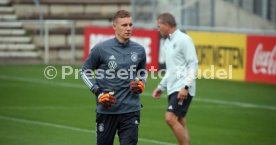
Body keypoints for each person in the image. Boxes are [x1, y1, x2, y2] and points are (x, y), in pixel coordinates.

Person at [80, 10, 146, 145]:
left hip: (131, 110)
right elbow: (84, 71)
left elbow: (142, 71)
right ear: (114, 26)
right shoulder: (100, 49)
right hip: (107, 109)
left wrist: (141, 83)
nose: (128, 28)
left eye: (130, 24)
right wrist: (98, 92)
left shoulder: (139, 50)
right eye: (124, 25)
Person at [152, 12, 198, 145]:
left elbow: (193, 64)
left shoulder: (184, 39)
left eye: (159, 26)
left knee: (170, 118)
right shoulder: (167, 43)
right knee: (180, 120)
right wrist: (161, 86)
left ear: (166, 25)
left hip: (182, 87)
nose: (158, 29)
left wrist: (186, 87)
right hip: (173, 88)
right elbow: (171, 70)